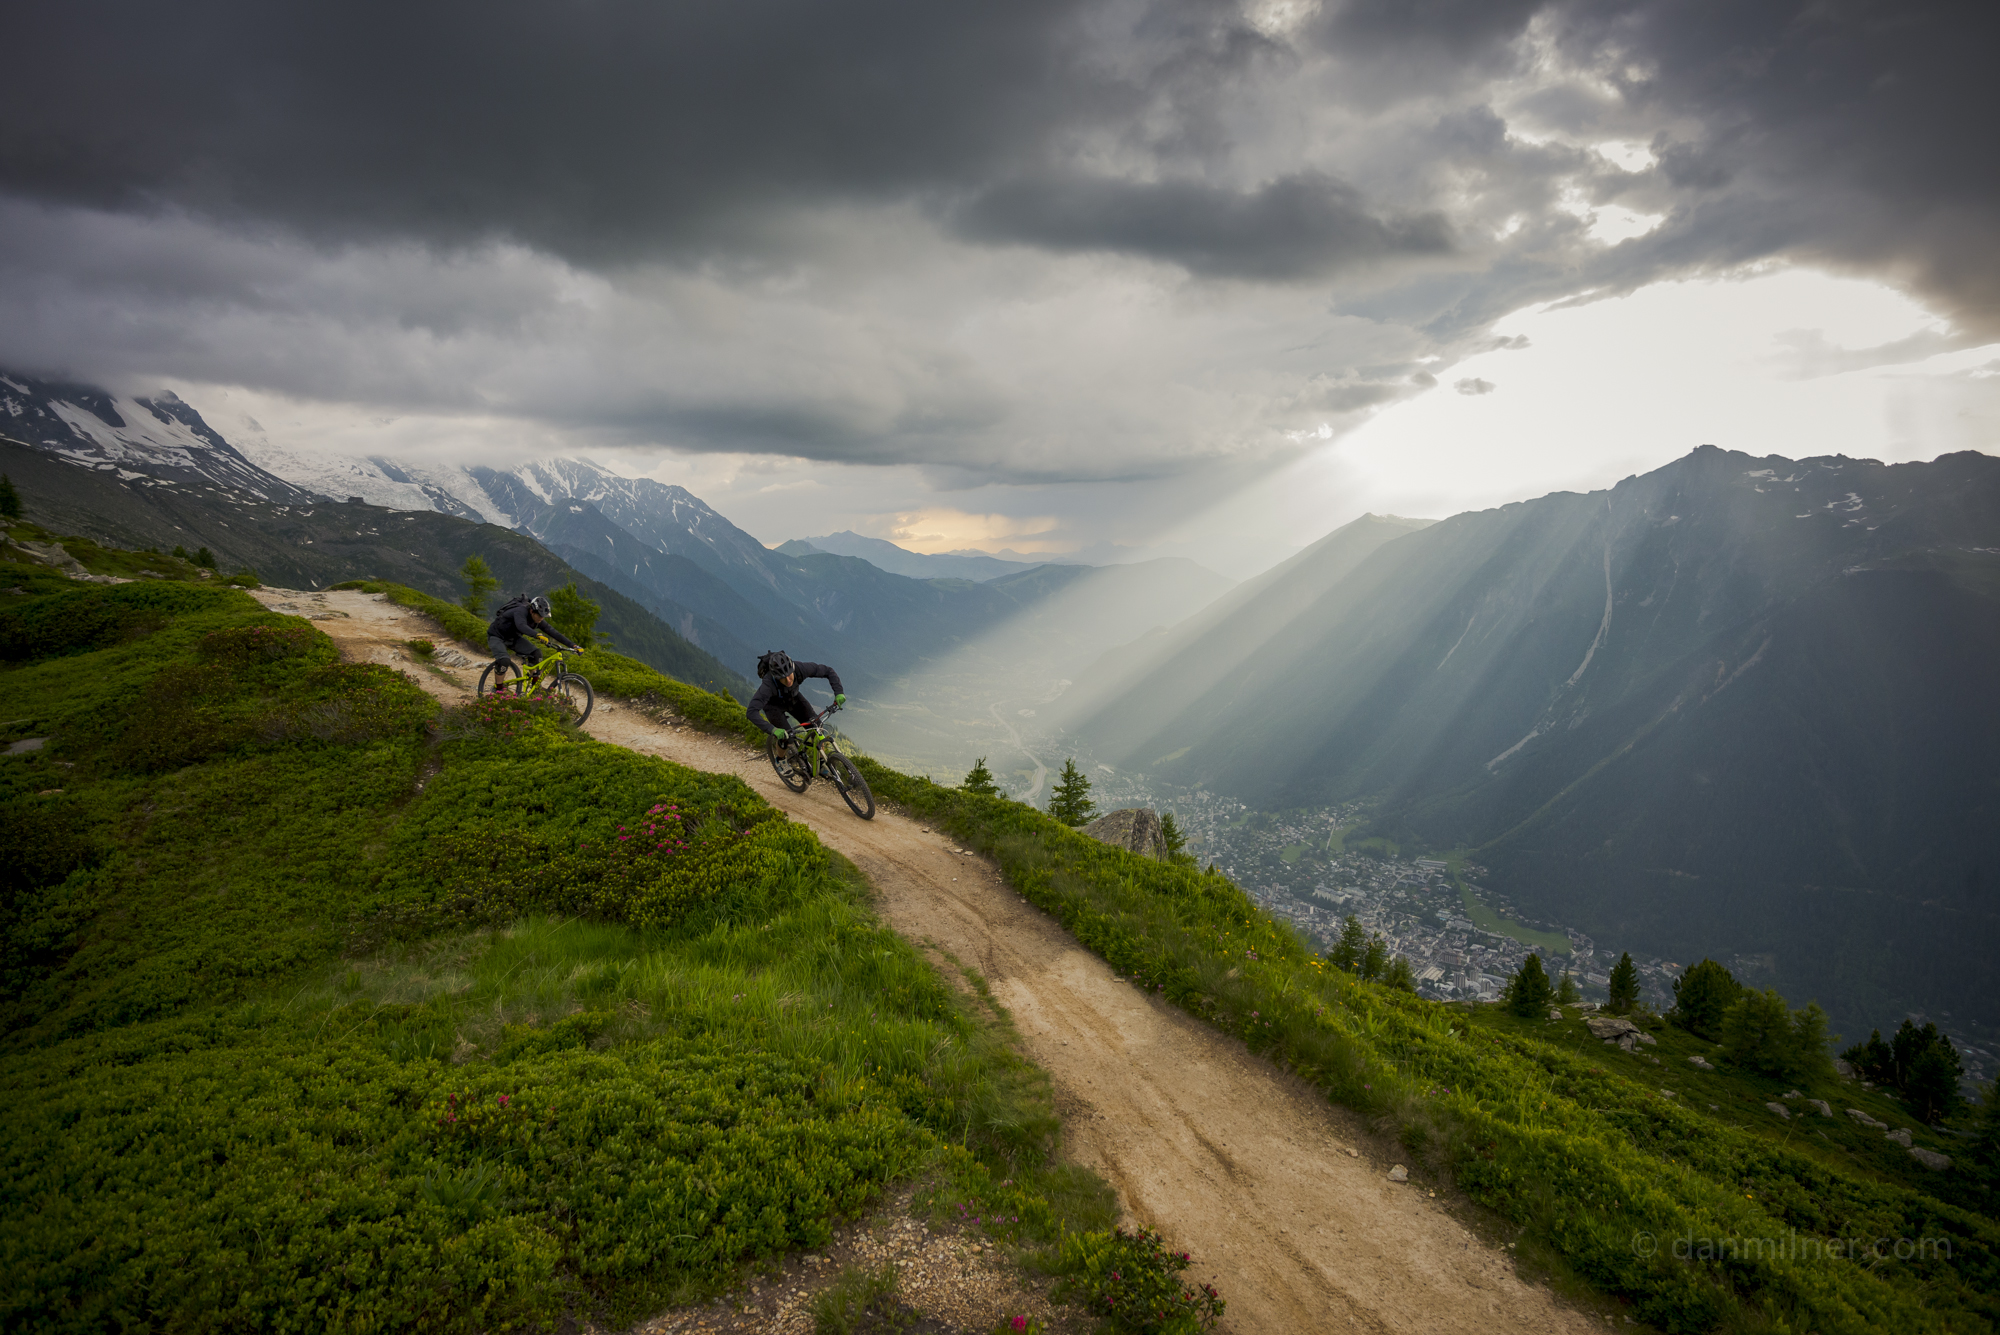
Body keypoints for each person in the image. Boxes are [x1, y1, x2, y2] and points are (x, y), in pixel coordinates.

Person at [747, 650, 846, 747]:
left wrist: (839, 692)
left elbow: (828, 671)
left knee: (817, 728)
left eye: (789, 675)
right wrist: (773, 730)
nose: (788, 680)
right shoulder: (768, 686)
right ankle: (781, 760)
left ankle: (821, 762)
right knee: (786, 738)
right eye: (783, 678)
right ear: (776, 677)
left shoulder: (800, 668)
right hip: (773, 706)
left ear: (792, 668)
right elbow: (751, 712)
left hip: (793, 698)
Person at [487, 593, 580, 692]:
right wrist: (537, 635)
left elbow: (553, 632)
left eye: (543, 616)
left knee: (536, 653)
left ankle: (535, 687)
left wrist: (573, 645)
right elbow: (521, 626)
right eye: (540, 615)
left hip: (513, 638)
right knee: (504, 660)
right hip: (496, 635)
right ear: (532, 611)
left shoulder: (538, 619)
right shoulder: (520, 611)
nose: (541, 618)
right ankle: (498, 688)